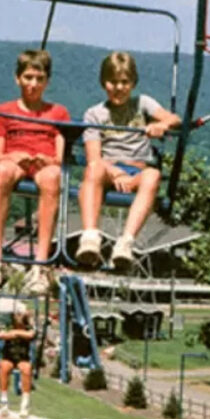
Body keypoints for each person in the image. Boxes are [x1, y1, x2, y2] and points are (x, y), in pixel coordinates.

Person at [76, 51, 181, 270]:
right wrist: (115, 173)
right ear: (104, 83)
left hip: (136, 172)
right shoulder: (95, 114)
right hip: (108, 171)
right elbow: (94, 157)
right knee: (93, 169)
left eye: (124, 82)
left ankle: (125, 242)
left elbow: (174, 118)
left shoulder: (142, 104)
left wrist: (162, 125)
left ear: (133, 83)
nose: (119, 88)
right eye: (113, 82)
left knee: (153, 175)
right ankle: (90, 237)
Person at [0, 49, 70, 294]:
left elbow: (60, 157)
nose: (33, 84)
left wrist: (48, 158)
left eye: (39, 79)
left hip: (44, 164)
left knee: (53, 178)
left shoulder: (58, 113)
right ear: (18, 78)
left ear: (47, 81)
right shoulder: (4, 110)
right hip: (14, 161)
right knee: (1, 172)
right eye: (28, 77)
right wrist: (14, 156)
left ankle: (40, 265)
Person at [0, 310, 36, 418]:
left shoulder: (28, 328)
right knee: (4, 367)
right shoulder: (7, 326)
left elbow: (30, 335)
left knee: (27, 369)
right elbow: (1, 335)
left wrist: (15, 333)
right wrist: (16, 333)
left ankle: (24, 405)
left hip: (22, 357)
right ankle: (4, 402)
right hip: (9, 356)